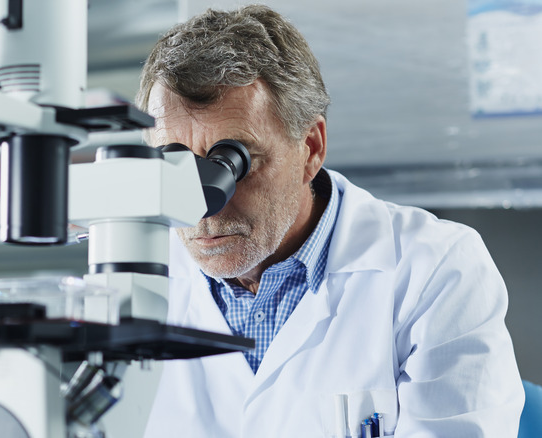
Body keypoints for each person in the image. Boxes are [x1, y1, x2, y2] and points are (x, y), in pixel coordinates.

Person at [135, 4, 524, 437]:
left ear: (311, 148)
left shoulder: (436, 269)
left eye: (233, 163)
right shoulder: (133, 271)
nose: (204, 205)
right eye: (176, 163)